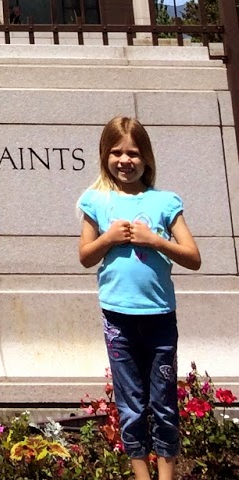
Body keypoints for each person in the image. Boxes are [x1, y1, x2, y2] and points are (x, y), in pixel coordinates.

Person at [77, 116, 201, 480]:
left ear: (146, 157)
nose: (124, 160)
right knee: (131, 406)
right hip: (118, 319)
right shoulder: (96, 200)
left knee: (164, 404)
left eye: (133, 153)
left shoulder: (164, 202)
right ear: (105, 155)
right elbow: (85, 256)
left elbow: (193, 257)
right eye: (116, 152)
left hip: (159, 317)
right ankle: (141, 475)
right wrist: (109, 238)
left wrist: (155, 241)